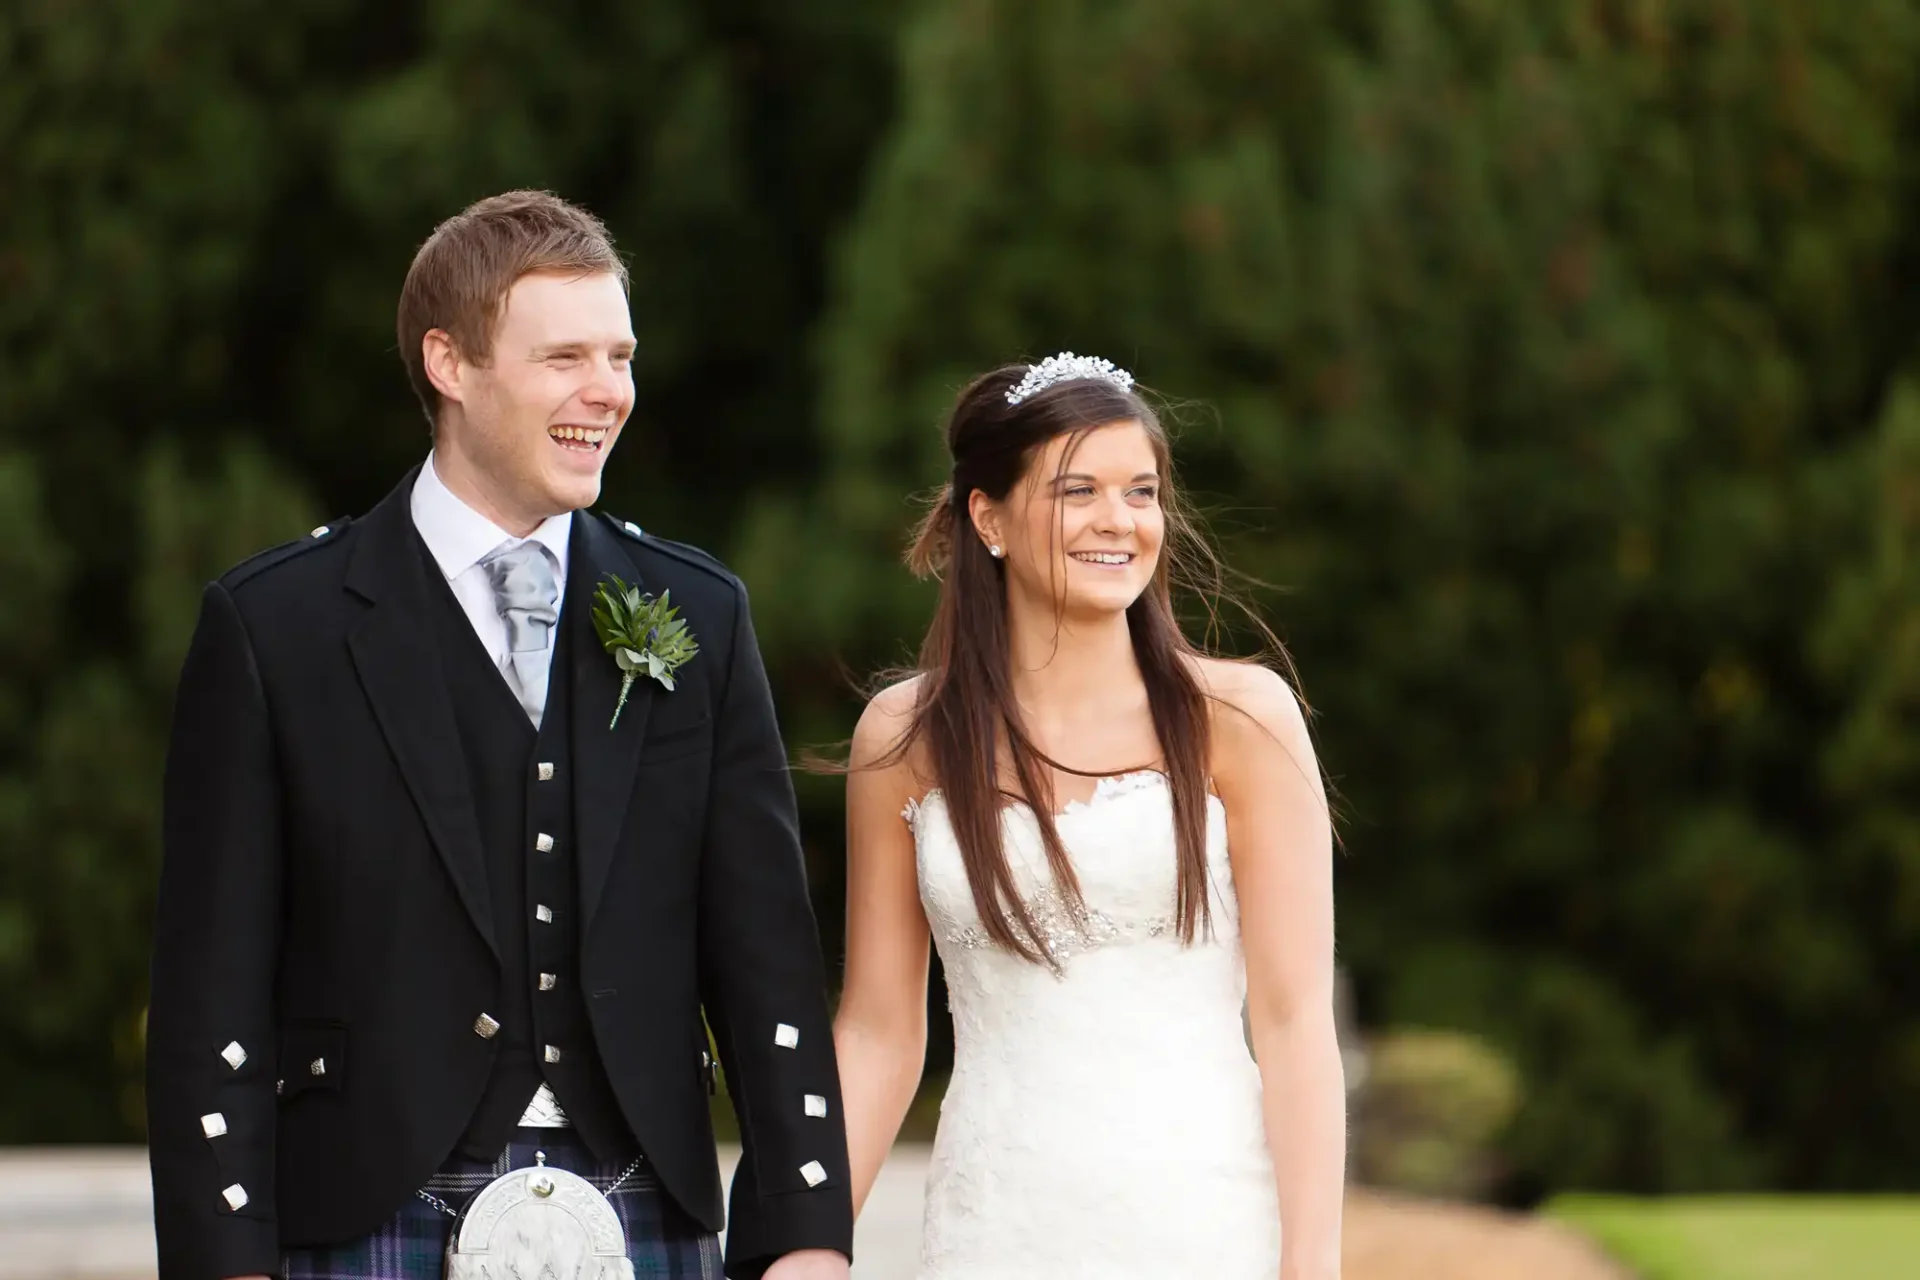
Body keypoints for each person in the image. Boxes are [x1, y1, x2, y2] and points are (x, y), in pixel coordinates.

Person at [145, 190, 853, 1280]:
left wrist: (804, 1234)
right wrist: (225, 1255)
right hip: (365, 1204)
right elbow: (210, 985)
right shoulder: (276, 627)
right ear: (449, 363)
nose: (606, 392)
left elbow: (765, 958)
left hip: (642, 1196)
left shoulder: (697, 613)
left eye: (619, 355)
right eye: (564, 356)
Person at [829, 354, 1346, 1278]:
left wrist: (1312, 1267)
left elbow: (1295, 1018)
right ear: (988, 518)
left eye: (1141, 491)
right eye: (1080, 491)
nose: (1121, 520)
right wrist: (803, 1240)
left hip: (1203, 1223)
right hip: (992, 1229)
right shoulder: (902, 737)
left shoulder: (1237, 717)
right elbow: (877, 1034)